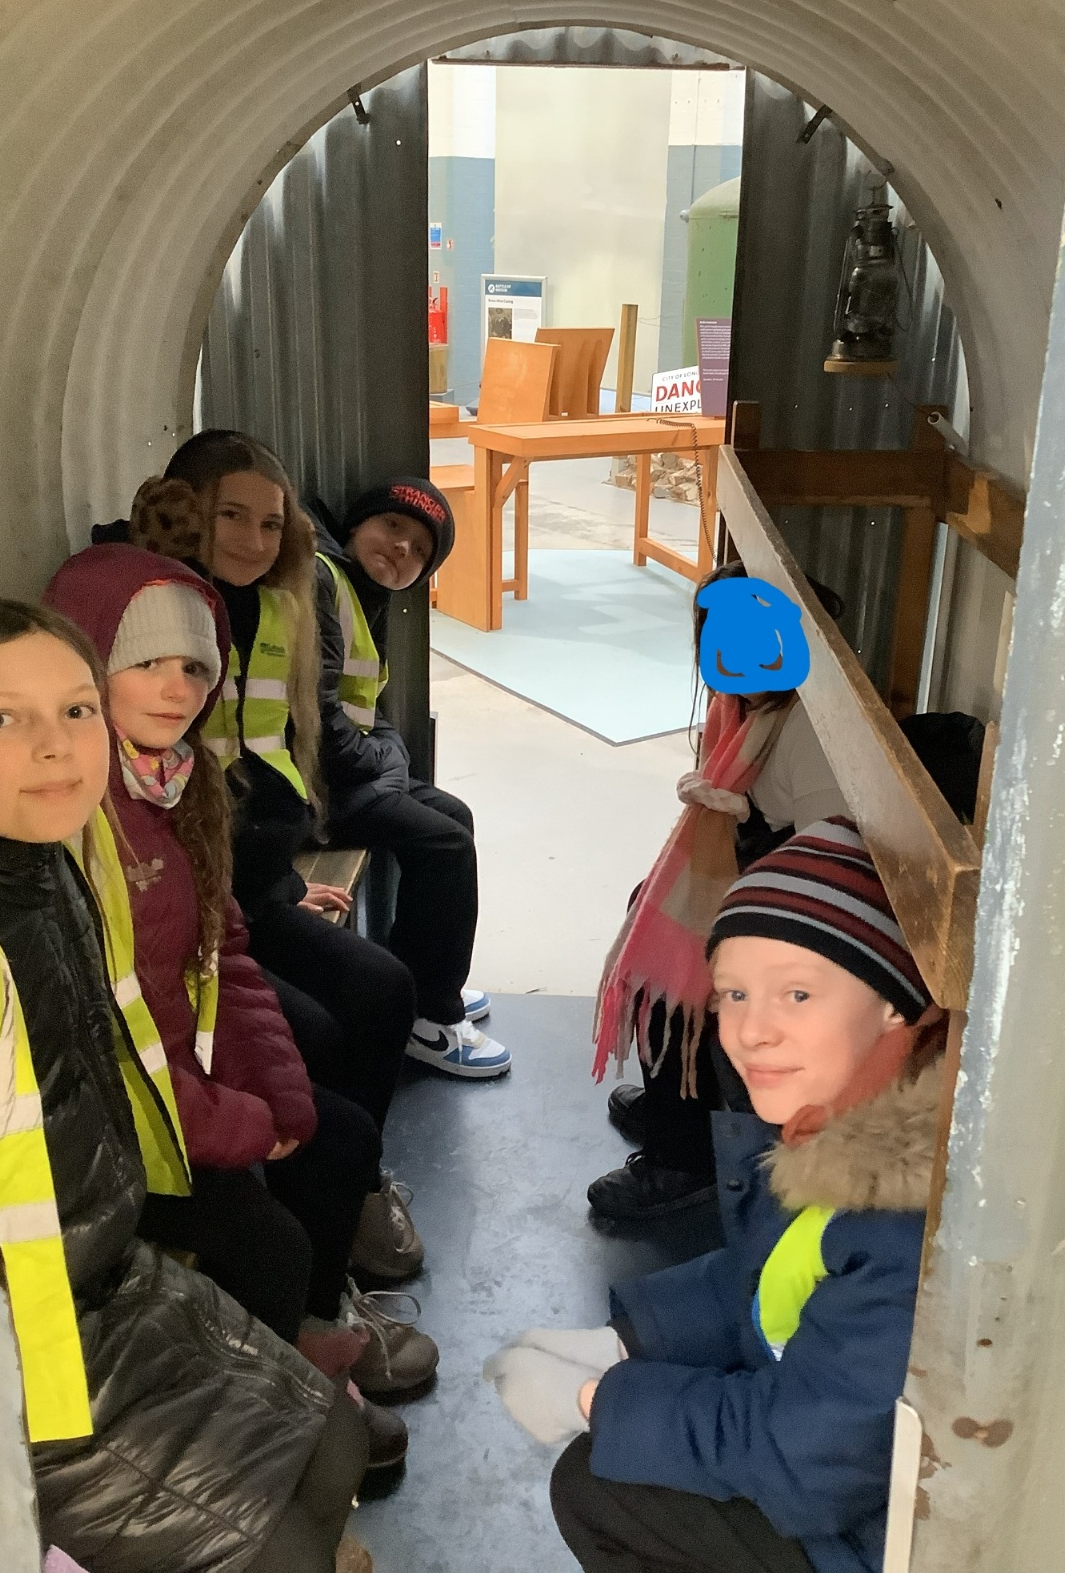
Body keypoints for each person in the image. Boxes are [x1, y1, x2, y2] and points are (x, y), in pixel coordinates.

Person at [0, 597, 372, 1573]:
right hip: (26, 1362)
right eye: (3, 718)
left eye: (75, 710)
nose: (55, 746)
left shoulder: (49, 866)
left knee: (335, 1440)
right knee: (281, 1546)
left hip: (106, 1273)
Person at [44, 544, 438, 1428]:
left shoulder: (176, 785)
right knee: (270, 1241)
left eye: (195, 666)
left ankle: (318, 1328)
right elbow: (104, 1034)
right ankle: (289, 1406)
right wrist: (238, 1119)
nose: (177, 688)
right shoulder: (71, 813)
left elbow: (221, 949)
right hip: (123, 1122)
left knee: (333, 1126)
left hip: (179, 1072)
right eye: (145, 662)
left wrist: (276, 1091)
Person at [490, 819, 943, 1573]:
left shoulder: (909, 1220)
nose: (752, 1030)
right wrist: (632, 1341)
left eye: (798, 993)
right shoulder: (834, 1122)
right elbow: (769, 1280)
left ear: (894, 1003)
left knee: (601, 1490)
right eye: (734, 993)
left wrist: (598, 1400)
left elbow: (810, 1462)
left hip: (881, 1540)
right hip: (847, 1476)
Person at [135, 434, 423, 1280]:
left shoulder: (282, 601)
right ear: (186, 512)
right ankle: (315, 1218)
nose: (254, 540)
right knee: (319, 1036)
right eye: (231, 515)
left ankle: (353, 1190)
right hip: (203, 906)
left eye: (270, 522)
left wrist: (288, 882)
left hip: (253, 885)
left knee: (385, 988)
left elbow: (274, 752)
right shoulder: (156, 618)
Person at [588, 563, 849, 1221]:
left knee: (681, 962)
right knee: (650, 910)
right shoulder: (743, 708)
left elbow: (828, 855)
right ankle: (676, 1104)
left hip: (808, 897)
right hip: (760, 870)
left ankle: (684, 1158)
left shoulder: (810, 728)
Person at [308, 480, 511, 1079]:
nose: (402, 548)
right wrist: (383, 765)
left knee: (454, 817)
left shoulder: (360, 594)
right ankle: (430, 1019)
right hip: (308, 788)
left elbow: (369, 711)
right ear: (356, 526)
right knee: (445, 845)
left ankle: (424, 983)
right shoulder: (321, 582)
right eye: (392, 527)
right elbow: (317, 719)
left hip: (344, 775)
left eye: (421, 549)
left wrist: (387, 759)